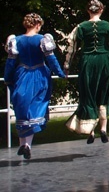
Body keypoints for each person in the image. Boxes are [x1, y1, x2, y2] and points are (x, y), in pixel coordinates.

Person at [4, 13, 66, 159]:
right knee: (35, 107)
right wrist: (60, 73)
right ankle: (27, 145)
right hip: (39, 75)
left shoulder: (16, 40)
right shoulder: (42, 39)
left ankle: (24, 144)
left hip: (22, 75)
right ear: (38, 25)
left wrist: (7, 78)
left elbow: (11, 62)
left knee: (22, 108)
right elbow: (51, 59)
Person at [65, 0, 109, 144]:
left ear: (88, 10)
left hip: (87, 61)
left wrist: (67, 66)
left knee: (88, 94)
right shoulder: (108, 25)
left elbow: (71, 47)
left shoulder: (81, 27)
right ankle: (103, 129)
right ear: (101, 10)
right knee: (104, 94)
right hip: (104, 61)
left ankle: (91, 131)